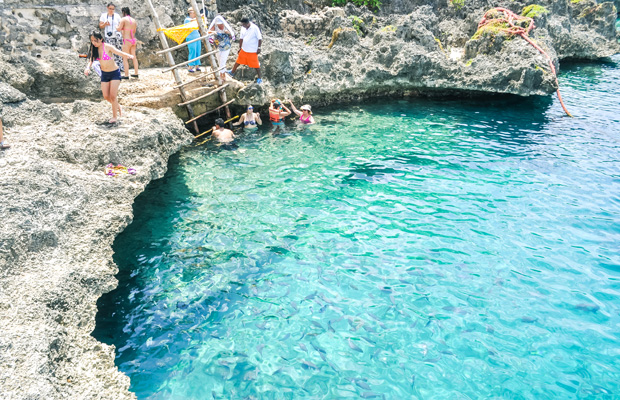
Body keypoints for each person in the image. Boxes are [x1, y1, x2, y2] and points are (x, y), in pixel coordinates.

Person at [84, 31, 134, 124]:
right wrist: (87, 68)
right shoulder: (93, 48)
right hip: (104, 74)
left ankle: (114, 117)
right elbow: (91, 60)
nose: (94, 43)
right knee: (106, 96)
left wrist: (129, 56)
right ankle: (118, 106)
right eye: (92, 41)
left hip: (114, 73)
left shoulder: (107, 47)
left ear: (101, 39)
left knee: (113, 96)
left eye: (96, 40)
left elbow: (119, 52)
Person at [228, 17, 262, 84]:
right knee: (238, 61)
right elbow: (241, 38)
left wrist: (259, 48)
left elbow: (260, 38)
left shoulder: (255, 28)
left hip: (252, 50)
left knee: (256, 65)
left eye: (244, 24)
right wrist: (240, 48)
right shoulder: (243, 28)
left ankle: (260, 78)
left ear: (247, 23)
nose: (243, 26)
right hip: (244, 49)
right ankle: (232, 72)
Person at [207, 16, 235, 81]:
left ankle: (222, 75)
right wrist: (213, 32)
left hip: (226, 46)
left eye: (221, 24)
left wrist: (228, 32)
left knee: (223, 60)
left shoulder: (226, 27)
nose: (220, 26)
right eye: (218, 25)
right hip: (217, 45)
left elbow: (232, 35)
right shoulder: (215, 26)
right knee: (219, 60)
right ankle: (222, 74)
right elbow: (208, 32)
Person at [99, 3, 124, 74]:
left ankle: (121, 66)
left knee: (119, 50)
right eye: (110, 9)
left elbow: (120, 25)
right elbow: (100, 26)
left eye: (113, 9)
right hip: (108, 36)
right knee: (111, 52)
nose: (111, 10)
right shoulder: (104, 15)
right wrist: (105, 24)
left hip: (117, 36)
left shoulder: (117, 16)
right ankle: (113, 66)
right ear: (107, 8)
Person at [117, 7, 138, 79]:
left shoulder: (123, 19)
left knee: (125, 57)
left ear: (123, 12)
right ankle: (136, 73)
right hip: (133, 40)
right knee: (134, 57)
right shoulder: (134, 20)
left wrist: (116, 26)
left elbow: (119, 29)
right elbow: (134, 31)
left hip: (126, 40)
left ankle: (126, 74)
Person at [185, 8, 202, 73]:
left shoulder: (195, 20)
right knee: (193, 51)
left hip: (197, 37)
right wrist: (199, 16)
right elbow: (191, 21)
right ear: (190, 13)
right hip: (191, 38)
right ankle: (190, 66)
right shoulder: (187, 20)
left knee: (198, 51)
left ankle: (197, 66)